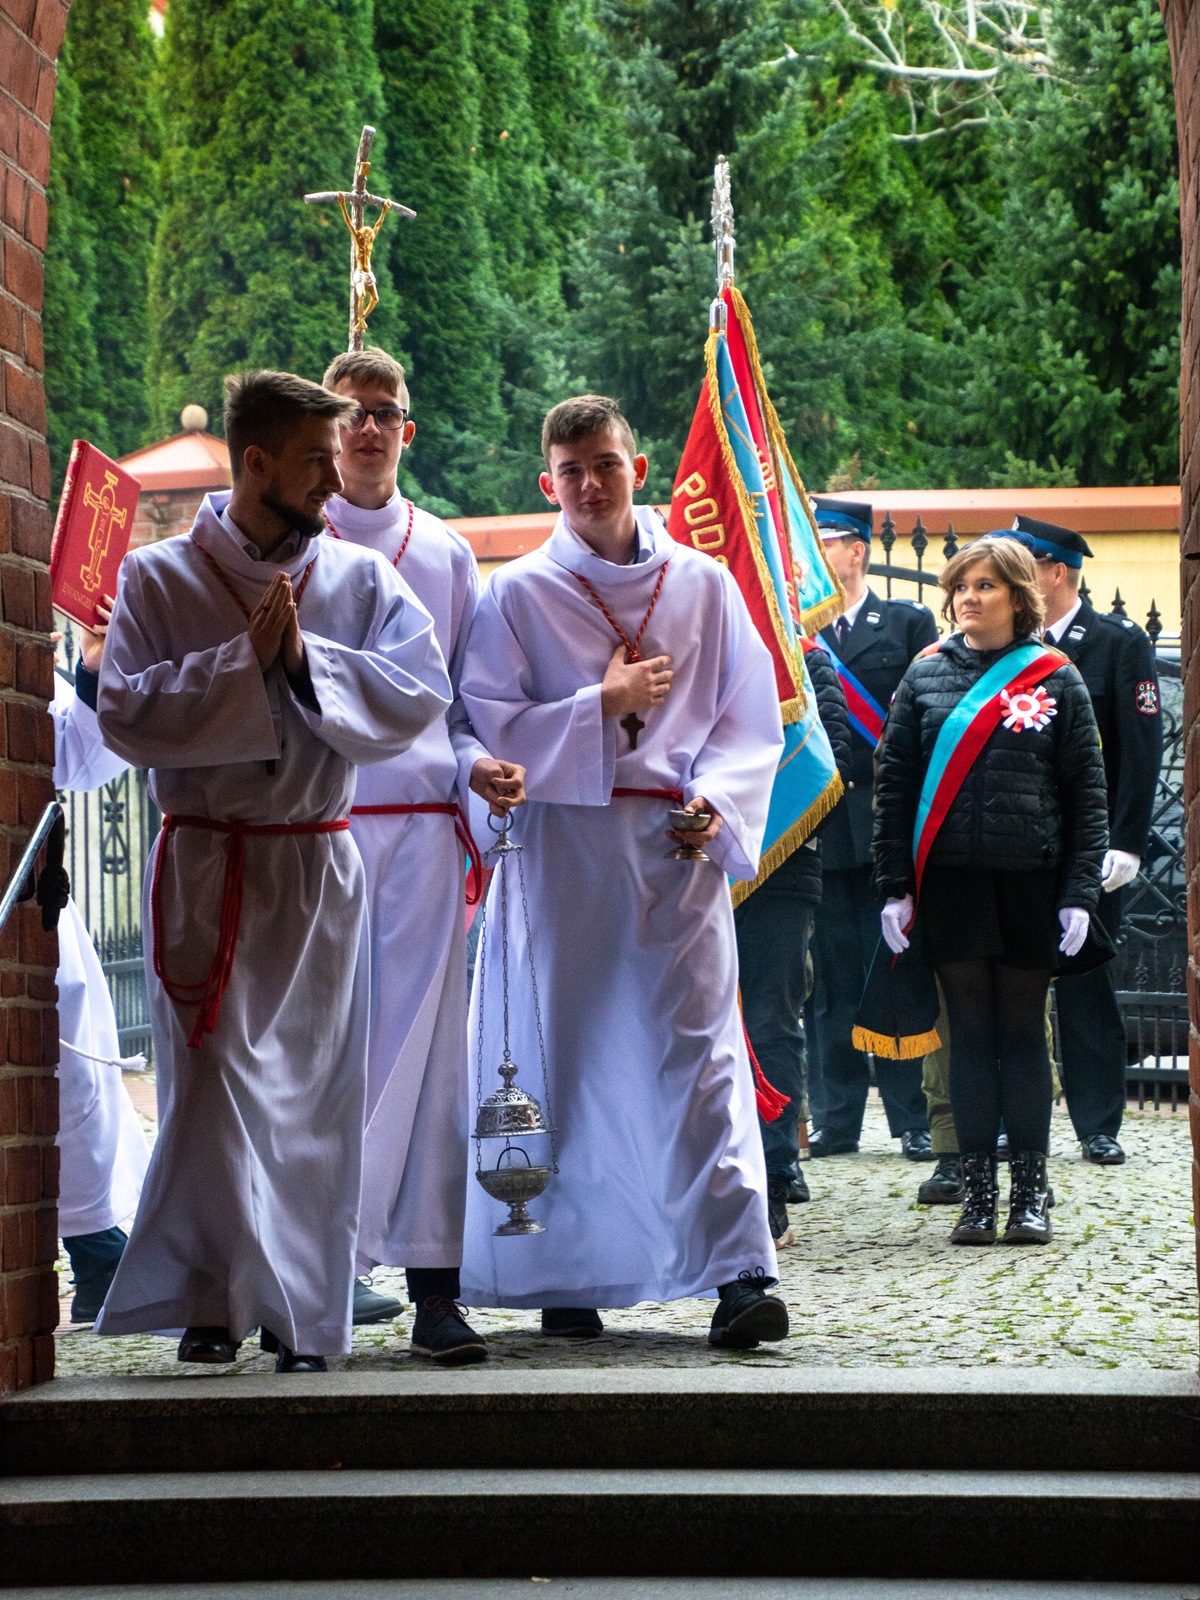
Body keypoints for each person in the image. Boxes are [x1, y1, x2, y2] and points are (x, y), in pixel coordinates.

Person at [94, 370, 452, 1372]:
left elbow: (422, 688)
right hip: (209, 863)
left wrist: (305, 664)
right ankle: (212, 1302)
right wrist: (236, 667)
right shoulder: (160, 580)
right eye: (312, 463)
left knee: (314, 1103)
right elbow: (124, 711)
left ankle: (303, 1315)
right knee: (211, 1097)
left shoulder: (359, 579)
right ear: (255, 465)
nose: (334, 483)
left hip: (313, 862)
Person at [457, 394, 789, 1350]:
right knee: (569, 1057)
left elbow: (746, 721)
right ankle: (571, 1274)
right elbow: (486, 727)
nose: (591, 484)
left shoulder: (706, 584)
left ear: (636, 467)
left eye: (605, 463)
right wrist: (595, 706)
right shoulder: (515, 594)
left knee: (702, 1063)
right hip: (563, 852)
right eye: (571, 471)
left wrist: (717, 806)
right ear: (546, 483)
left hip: (671, 852)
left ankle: (739, 1271)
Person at [321, 346, 526, 1365]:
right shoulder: (286, 541)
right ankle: (308, 1283)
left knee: (433, 1066)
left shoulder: (445, 554)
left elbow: (461, 712)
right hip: (310, 836)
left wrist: (480, 765)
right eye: (347, 411)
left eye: (382, 412)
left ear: (409, 429)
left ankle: (435, 1289)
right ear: (325, 429)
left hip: (419, 839)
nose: (364, 427)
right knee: (317, 1063)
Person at [873, 536, 1108, 1245]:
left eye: (984, 586)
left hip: (1030, 883)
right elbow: (894, 786)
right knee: (969, 1040)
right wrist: (894, 887)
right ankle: (977, 1196)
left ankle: (1029, 1196)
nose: (969, 598)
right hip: (950, 887)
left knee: (1020, 1040)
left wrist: (1080, 893)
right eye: (961, 586)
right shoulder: (925, 676)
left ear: (1017, 595)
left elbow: (1086, 794)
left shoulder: (1056, 678)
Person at [1009, 515, 1163, 1166]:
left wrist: (1125, 841)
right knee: (1013, 978)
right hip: (1020, 843)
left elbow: (1141, 751)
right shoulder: (1010, 647)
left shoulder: (1118, 643)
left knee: (1086, 983)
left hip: (1091, 848)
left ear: (1058, 573)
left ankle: (1097, 1123)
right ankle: (1014, 1118)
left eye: (1026, 568)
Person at [805, 498, 937, 1161]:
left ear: (854, 549)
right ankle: (836, 1118)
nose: (812, 555)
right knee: (831, 981)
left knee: (895, 971)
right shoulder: (800, 633)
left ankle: (911, 1118)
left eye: (822, 542)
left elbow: (920, 719)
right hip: (826, 828)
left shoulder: (908, 622)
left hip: (888, 827)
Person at [52, 604, 151, 1323]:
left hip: (29, 900)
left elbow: (84, 758)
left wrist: (92, 670)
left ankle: (95, 1250)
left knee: (75, 1066)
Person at [734, 638, 850, 1245]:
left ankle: (774, 1174)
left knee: (772, 1021)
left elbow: (831, 767)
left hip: (780, 872)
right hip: (691, 861)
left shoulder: (802, 652)